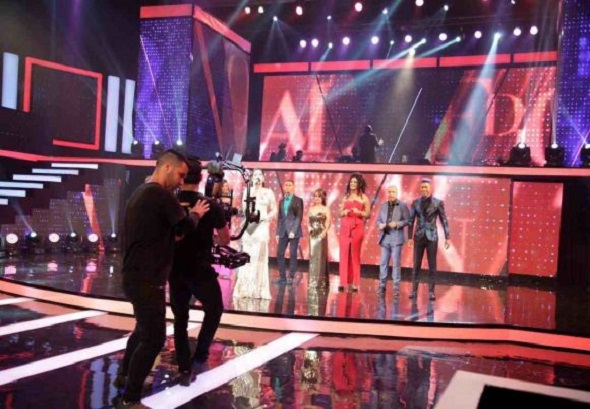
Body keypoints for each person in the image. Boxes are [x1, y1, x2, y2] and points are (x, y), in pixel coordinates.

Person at [114, 150, 209, 408]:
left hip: (134, 276)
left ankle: (124, 376)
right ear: (167, 167)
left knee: (142, 330)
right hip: (148, 279)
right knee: (154, 339)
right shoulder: (160, 194)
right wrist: (197, 213)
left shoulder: (140, 192)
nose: (181, 181)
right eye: (180, 175)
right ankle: (131, 399)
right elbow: (184, 227)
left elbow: (164, 234)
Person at [169, 157, 231, 386]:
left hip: (175, 269)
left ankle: (184, 364)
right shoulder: (210, 205)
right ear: (201, 178)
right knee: (214, 310)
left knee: (180, 318)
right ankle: (200, 355)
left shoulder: (170, 201)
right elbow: (225, 240)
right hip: (200, 269)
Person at [233, 169, 277, 299]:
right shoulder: (247, 191)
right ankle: (245, 288)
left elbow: (274, 209)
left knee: (259, 256)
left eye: (260, 174)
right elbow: (244, 208)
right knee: (248, 254)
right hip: (250, 225)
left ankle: (258, 289)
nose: (257, 177)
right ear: (252, 178)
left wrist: (266, 218)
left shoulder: (268, 192)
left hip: (262, 226)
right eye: (255, 175)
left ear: (263, 178)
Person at [407, 178, 451, 301]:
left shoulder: (438, 203)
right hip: (419, 236)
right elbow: (411, 221)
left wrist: (447, 237)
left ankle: (431, 292)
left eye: (426, 187)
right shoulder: (415, 203)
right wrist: (409, 237)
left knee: (432, 265)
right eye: (422, 187)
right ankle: (414, 290)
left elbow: (444, 220)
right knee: (416, 264)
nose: (424, 189)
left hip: (432, 237)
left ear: (430, 188)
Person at [338, 173, 370, 292]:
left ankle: (355, 282)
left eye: (355, 182)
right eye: (351, 182)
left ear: (359, 184)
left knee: (355, 254)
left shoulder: (364, 198)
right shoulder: (345, 197)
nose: (352, 184)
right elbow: (339, 213)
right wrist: (344, 212)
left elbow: (368, 214)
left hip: (357, 226)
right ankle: (343, 282)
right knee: (344, 253)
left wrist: (359, 212)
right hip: (346, 226)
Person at [377, 185, 410, 297]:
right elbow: (378, 221)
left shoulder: (402, 205)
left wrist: (397, 224)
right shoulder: (383, 206)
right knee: (383, 263)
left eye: (393, 192)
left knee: (396, 264)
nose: (391, 194)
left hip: (396, 238)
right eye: (389, 192)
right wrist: (380, 225)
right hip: (384, 238)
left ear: (397, 193)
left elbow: (408, 220)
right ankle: (382, 286)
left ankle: (396, 288)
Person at [276, 179, 304, 284]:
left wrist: (293, 230)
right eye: (286, 185)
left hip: (293, 231)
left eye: (289, 185)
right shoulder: (281, 201)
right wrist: (277, 233)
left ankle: (291, 277)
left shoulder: (298, 200)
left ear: (293, 187)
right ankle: (282, 276)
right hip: (283, 231)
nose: (287, 186)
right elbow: (280, 218)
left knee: (292, 254)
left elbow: (299, 217)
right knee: (279, 253)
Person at [307, 188, 331, 291]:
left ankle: (320, 281)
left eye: (319, 197)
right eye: (315, 196)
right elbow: (308, 221)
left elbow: (328, 221)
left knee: (321, 257)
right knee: (313, 257)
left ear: (322, 198)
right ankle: (312, 281)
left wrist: (324, 231)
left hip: (321, 234)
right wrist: (309, 229)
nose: (316, 198)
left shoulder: (326, 209)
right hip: (313, 235)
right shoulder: (311, 209)